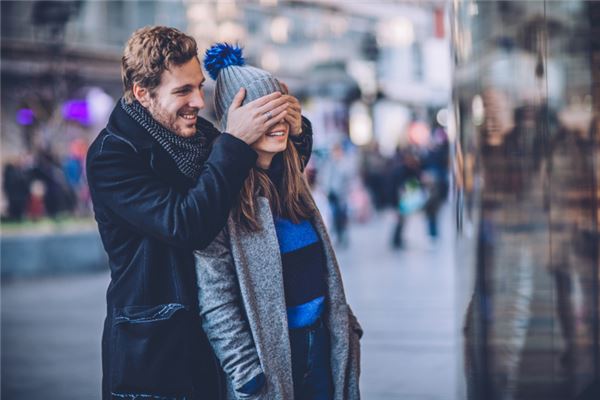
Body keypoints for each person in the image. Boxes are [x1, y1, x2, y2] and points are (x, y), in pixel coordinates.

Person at [86, 27, 313, 399]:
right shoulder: (112, 156)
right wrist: (235, 142)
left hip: (216, 344)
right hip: (155, 354)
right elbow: (186, 224)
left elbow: (263, 182)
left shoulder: (203, 137)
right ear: (143, 94)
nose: (198, 101)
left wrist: (293, 128)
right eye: (182, 91)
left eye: (199, 86)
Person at [194, 43, 362, 399]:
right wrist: (247, 375)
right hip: (269, 362)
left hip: (322, 348)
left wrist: (347, 326)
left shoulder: (291, 183)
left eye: (281, 113)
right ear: (238, 123)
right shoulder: (221, 196)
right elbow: (215, 299)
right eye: (263, 114)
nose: (278, 124)